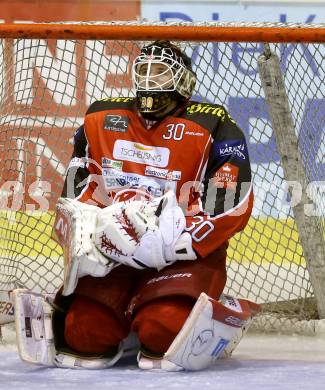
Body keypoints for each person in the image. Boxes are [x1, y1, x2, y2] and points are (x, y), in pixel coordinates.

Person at [14, 40, 260, 371]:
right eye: (143, 72)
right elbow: (80, 185)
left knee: (163, 332)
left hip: (179, 253)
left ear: (183, 81)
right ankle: (128, 328)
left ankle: (218, 314)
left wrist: (173, 241)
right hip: (118, 250)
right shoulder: (101, 117)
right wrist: (91, 229)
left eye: (159, 74)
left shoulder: (216, 124)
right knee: (82, 335)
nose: (149, 82)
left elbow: (232, 199)